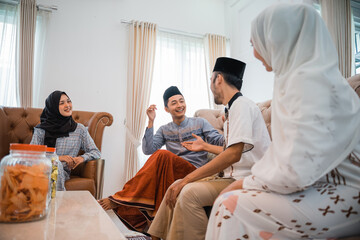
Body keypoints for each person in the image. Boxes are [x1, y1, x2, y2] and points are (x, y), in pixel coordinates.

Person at [206, 3, 360, 240]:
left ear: (280, 38)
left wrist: (244, 184)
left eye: (255, 43)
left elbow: (295, 168)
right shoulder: (297, 79)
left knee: (228, 205)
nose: (256, 53)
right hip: (311, 181)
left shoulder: (308, 83)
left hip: (344, 189)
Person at [147, 57, 271, 240]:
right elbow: (235, 150)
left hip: (246, 178)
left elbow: (233, 154)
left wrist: (187, 179)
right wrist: (205, 146)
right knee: (175, 185)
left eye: (211, 80)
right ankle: (155, 237)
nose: (210, 86)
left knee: (188, 192)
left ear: (218, 79)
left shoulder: (242, 106)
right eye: (174, 103)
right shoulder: (233, 109)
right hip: (230, 175)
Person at [98, 86, 224, 233]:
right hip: (172, 173)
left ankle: (121, 198)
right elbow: (148, 149)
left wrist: (226, 125)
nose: (179, 105)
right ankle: (155, 217)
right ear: (166, 109)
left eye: (181, 101)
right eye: (174, 103)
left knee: (163, 155)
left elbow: (220, 141)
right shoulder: (164, 129)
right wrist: (150, 122)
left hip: (195, 171)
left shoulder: (199, 122)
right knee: (161, 159)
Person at [31, 90, 101, 190]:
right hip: (39, 170)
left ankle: (56, 203)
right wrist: (58, 158)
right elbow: (32, 155)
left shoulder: (79, 130)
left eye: (69, 101)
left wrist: (82, 158)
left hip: (61, 172)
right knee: (55, 162)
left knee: (56, 165)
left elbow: (96, 152)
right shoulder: (41, 130)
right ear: (53, 107)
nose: (67, 105)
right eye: (62, 103)